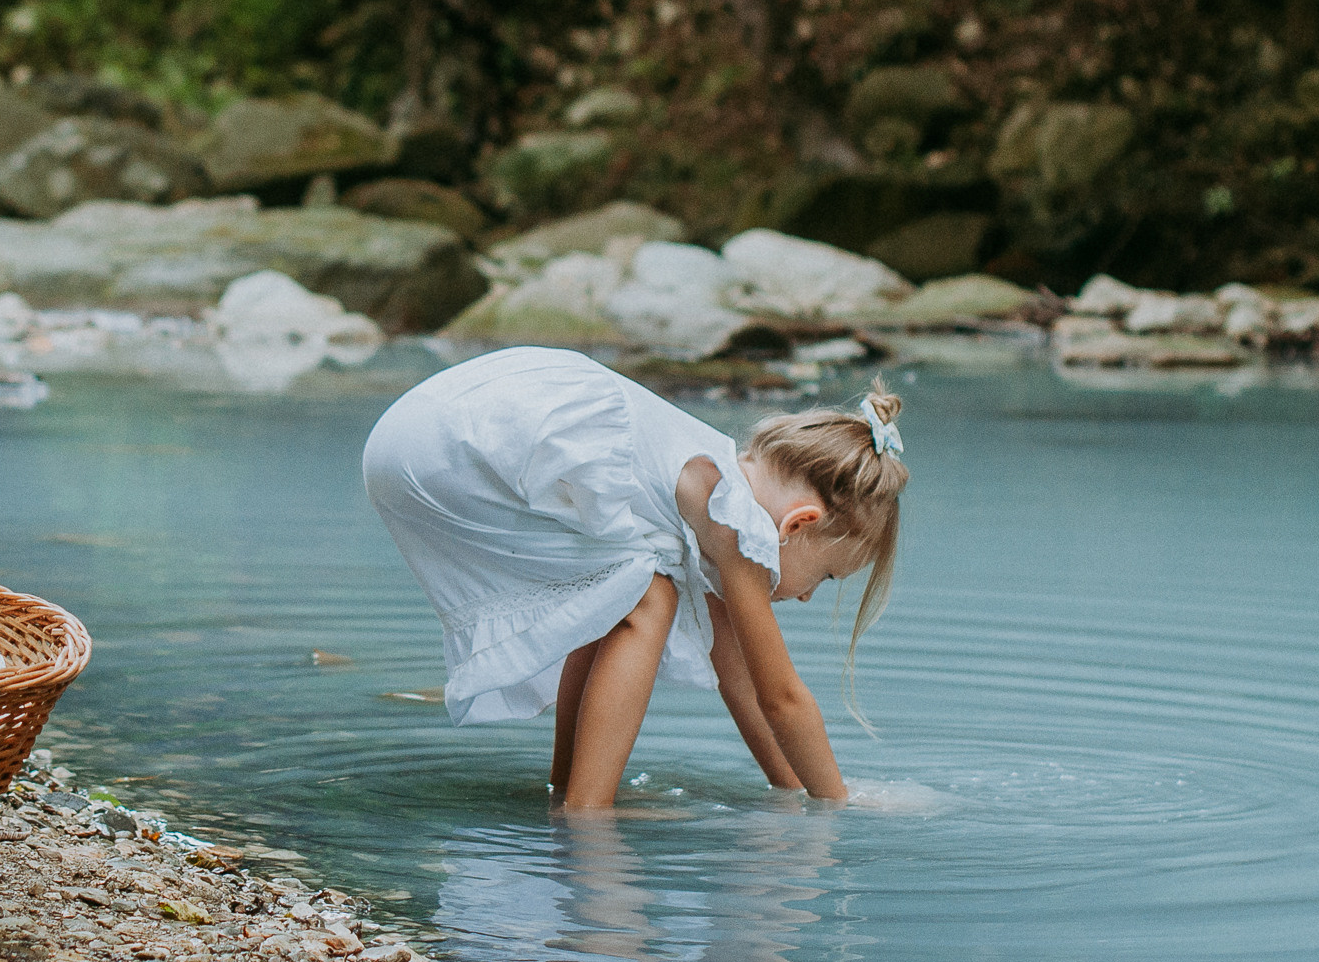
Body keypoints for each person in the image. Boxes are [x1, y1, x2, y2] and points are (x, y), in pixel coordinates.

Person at [362, 346, 910, 809]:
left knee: (615, 593)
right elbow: (782, 698)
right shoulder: (733, 523)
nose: (809, 596)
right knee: (649, 597)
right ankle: (586, 814)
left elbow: (739, 676)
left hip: (415, 433)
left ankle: (569, 793)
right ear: (798, 524)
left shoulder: (709, 492)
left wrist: (794, 794)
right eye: (827, 576)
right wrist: (838, 804)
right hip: (453, 450)